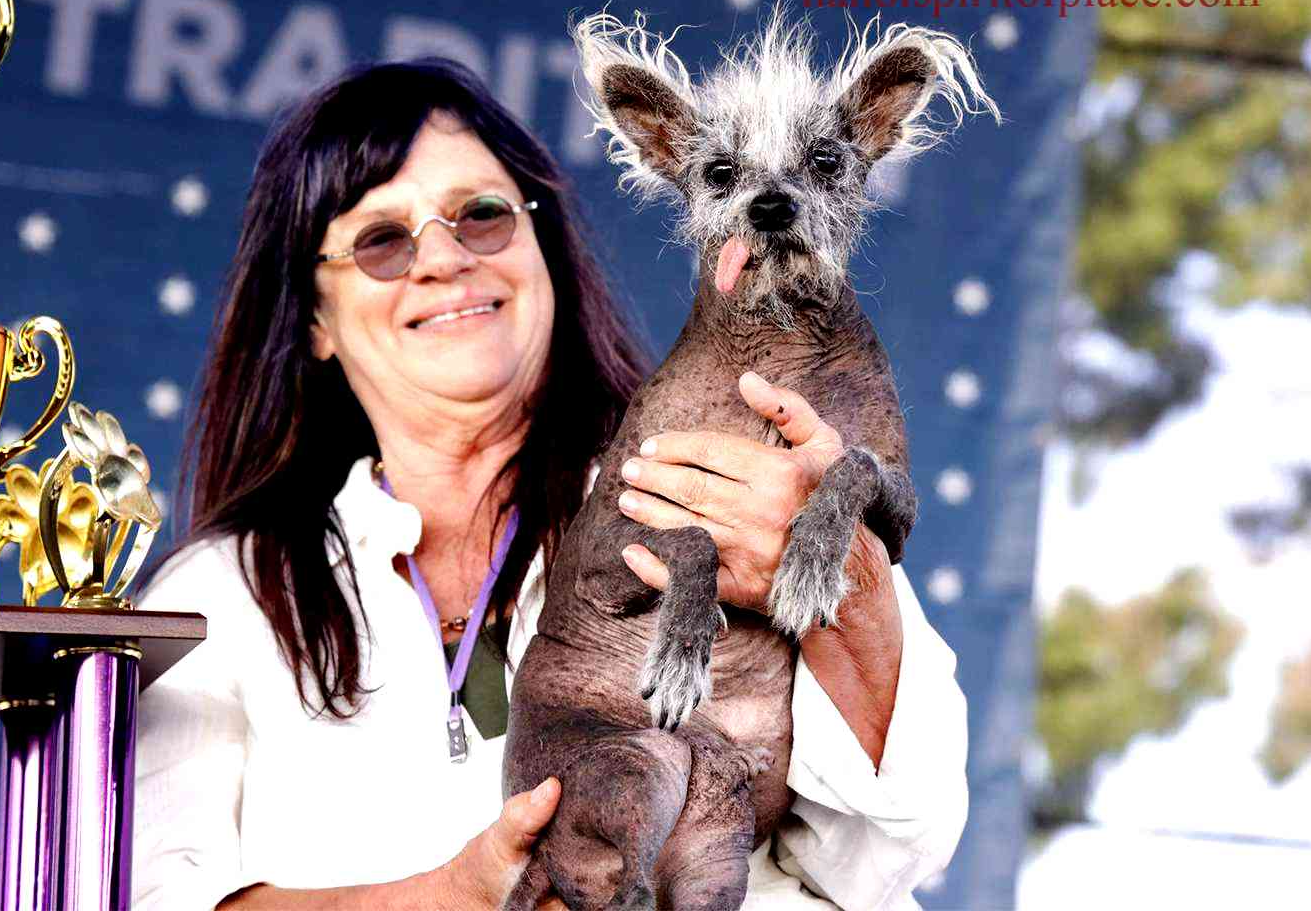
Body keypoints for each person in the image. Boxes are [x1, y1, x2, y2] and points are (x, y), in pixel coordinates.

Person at [130, 58, 968, 911]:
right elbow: (152, 898)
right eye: (383, 240)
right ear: (312, 319)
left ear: (545, 254)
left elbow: (896, 852)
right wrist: (457, 894)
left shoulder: (721, 475)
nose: (444, 259)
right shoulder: (219, 598)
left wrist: (852, 585)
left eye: (483, 217)